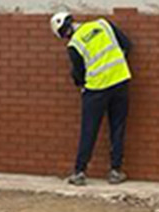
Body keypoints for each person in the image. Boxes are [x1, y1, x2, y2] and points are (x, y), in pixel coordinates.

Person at [50, 11, 132, 186]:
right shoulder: (103, 24)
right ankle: (115, 171)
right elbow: (127, 46)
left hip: (96, 90)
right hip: (120, 82)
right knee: (117, 128)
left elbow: (79, 74)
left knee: (89, 130)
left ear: (64, 33)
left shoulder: (74, 45)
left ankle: (80, 172)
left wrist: (81, 84)